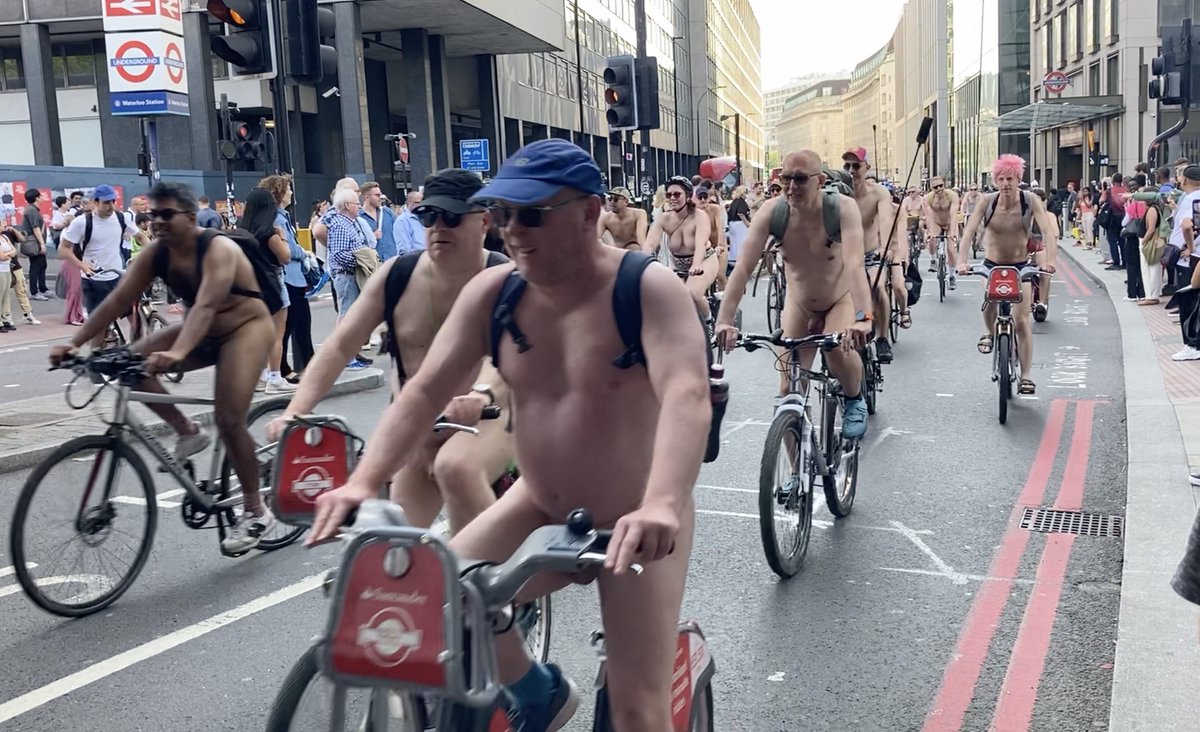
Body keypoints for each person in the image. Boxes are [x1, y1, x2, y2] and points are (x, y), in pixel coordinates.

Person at [307, 139, 710, 732]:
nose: (513, 231)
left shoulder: (646, 288)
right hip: (538, 504)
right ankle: (534, 689)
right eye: (503, 215)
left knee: (635, 709)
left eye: (532, 214)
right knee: (435, 597)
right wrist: (364, 483)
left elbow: (687, 396)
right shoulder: (494, 295)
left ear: (588, 211)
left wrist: (663, 504)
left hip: (635, 522)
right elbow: (421, 393)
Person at [268, 168, 516, 535]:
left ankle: (493, 582)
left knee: (460, 482)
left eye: (451, 217)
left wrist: (481, 394)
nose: (439, 227)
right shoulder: (397, 277)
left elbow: (508, 357)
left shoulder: (505, 278)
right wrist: (295, 411)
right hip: (419, 432)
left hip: (488, 425)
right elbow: (339, 347)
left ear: (483, 221)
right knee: (389, 555)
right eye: (429, 216)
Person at [49, 181, 279, 552]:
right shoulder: (155, 254)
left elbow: (205, 306)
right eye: (152, 215)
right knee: (130, 365)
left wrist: (177, 353)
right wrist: (72, 345)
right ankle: (187, 431)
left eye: (166, 214)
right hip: (198, 331)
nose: (157, 222)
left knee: (229, 418)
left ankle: (257, 511)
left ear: (190, 217)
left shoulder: (217, 248)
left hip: (244, 330)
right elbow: (114, 302)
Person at [715, 150, 874, 438]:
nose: (791, 187)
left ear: (820, 180)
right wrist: (725, 321)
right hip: (799, 303)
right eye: (786, 178)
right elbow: (741, 271)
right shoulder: (771, 212)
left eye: (800, 179)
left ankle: (854, 399)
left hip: (839, 299)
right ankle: (791, 478)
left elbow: (854, 265)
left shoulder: (842, 208)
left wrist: (863, 318)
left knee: (836, 348)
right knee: (788, 392)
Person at [956, 155, 1059, 394]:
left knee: (1022, 320)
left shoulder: (1030, 200)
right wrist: (961, 261)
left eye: (1010, 178)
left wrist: (1050, 261)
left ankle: (1026, 376)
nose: (1005, 183)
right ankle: (989, 332)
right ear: (995, 180)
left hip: (1020, 265)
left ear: (1018, 179)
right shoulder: (986, 201)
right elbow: (970, 231)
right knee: (989, 295)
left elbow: (1047, 232)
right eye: (1001, 179)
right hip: (992, 263)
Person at [58, 185, 149, 344]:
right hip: (94, 279)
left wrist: (150, 253)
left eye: (113, 201)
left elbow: (141, 237)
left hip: (117, 275)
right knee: (98, 327)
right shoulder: (81, 223)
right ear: (95, 202)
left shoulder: (121, 218)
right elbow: (63, 250)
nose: (111, 207)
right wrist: (82, 266)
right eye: (107, 203)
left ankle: (136, 353)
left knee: (135, 317)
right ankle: (96, 362)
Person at [843, 146, 905, 363]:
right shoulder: (840, 193)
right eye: (847, 166)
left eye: (856, 166)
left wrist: (886, 248)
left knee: (878, 287)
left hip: (870, 254)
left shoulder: (879, 192)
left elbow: (886, 220)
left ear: (866, 167)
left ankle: (882, 338)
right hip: (844, 257)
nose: (851, 170)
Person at [241, 185, 296, 394]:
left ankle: (261, 375)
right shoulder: (270, 233)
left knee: (259, 333)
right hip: (273, 281)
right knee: (276, 333)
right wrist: (282, 237)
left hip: (253, 284)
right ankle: (275, 376)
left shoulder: (244, 231)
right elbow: (285, 257)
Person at [644, 176, 718, 323]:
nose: (672, 198)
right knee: (663, 298)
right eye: (668, 195)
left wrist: (697, 264)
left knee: (693, 293)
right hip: (678, 265)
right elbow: (650, 244)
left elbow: (701, 243)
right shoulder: (664, 218)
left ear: (688, 196)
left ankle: (709, 323)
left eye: (677, 194)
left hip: (704, 260)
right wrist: (640, 262)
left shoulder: (699, 216)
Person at [923, 175, 961, 288]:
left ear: (944, 185)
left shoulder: (952, 195)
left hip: (950, 223)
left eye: (941, 186)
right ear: (931, 189)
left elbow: (954, 214)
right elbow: (929, 216)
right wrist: (930, 232)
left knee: (951, 249)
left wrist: (953, 232)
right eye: (935, 187)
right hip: (936, 222)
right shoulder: (928, 198)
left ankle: (952, 275)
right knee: (932, 241)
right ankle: (933, 260)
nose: (939, 189)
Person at [19, 189, 50, 301]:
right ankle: (34, 292)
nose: (42, 198)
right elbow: (35, 228)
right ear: (36, 198)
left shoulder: (33, 210)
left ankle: (43, 289)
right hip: (34, 243)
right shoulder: (31, 210)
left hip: (36, 242)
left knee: (42, 265)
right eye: (40, 196)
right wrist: (42, 244)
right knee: (36, 267)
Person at [360, 181, 398, 261]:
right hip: (373, 263)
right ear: (367, 197)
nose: (380, 197)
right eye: (377, 195)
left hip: (392, 260)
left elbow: (398, 232)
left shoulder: (387, 212)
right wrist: (371, 238)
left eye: (380, 194)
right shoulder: (359, 217)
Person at [1100, 172, 1129, 269]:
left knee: (1112, 240)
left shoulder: (1109, 191)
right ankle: (1125, 262)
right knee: (1122, 240)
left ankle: (1116, 262)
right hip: (1124, 217)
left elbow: (1101, 201)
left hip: (1112, 218)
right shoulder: (1126, 190)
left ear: (1113, 181)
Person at [392, 190, 426, 255]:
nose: (424, 205)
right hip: (414, 261)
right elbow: (403, 249)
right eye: (421, 202)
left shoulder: (423, 218)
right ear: (412, 204)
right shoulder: (402, 221)